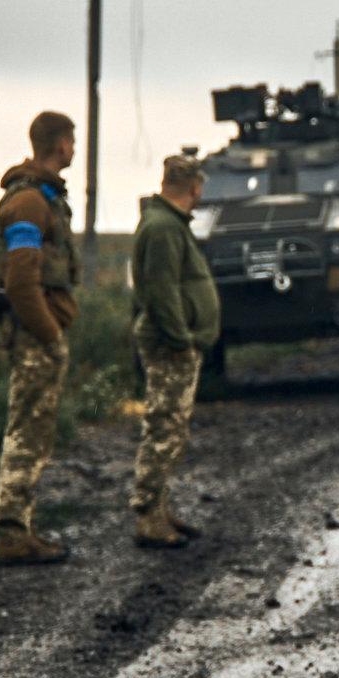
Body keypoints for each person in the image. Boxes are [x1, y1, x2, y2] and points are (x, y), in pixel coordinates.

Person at [0, 110, 80, 566]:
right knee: (26, 432)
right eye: (71, 141)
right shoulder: (29, 204)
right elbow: (22, 282)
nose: (74, 149)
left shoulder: (41, 199)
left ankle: (21, 528)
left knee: (35, 432)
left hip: (37, 334)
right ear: (60, 144)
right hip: (34, 338)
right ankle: (11, 533)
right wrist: (49, 336)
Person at [128, 154, 221, 549]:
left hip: (175, 340)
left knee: (171, 428)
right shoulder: (165, 228)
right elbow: (162, 291)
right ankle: (149, 514)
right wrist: (181, 337)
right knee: (164, 427)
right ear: (195, 188)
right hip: (170, 344)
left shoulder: (167, 223)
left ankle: (160, 509)